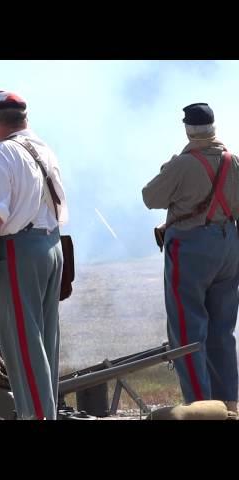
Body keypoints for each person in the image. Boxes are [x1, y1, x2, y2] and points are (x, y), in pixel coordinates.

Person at [0, 90, 68, 419]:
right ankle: (46, 411)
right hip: (52, 246)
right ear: (24, 119)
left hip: (19, 251)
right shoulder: (44, 148)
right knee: (45, 341)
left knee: (23, 346)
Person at [142, 103, 239, 413]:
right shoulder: (232, 161)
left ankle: (200, 406)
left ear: (187, 129)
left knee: (187, 329)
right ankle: (229, 403)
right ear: (213, 128)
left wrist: (168, 168)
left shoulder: (182, 164)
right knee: (222, 330)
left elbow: (150, 197)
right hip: (228, 245)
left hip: (191, 247)